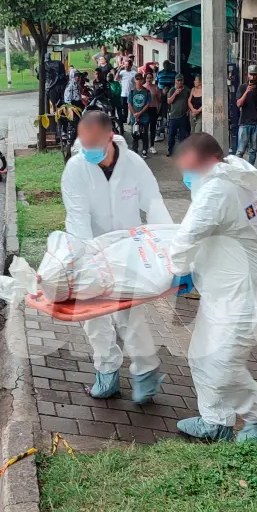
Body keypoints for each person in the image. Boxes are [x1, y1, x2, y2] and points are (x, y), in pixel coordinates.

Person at [169, 133, 257, 442]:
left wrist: (178, 270)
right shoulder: (245, 181)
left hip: (244, 295)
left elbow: (187, 235)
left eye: (188, 167)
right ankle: (215, 421)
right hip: (224, 291)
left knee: (222, 364)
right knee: (201, 355)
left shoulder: (217, 189)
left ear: (206, 162)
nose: (186, 175)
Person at [61, 110, 173, 401]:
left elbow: (153, 203)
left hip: (129, 250)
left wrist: (170, 246)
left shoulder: (134, 164)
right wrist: (87, 260)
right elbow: (77, 217)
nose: (88, 152)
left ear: (110, 137)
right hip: (90, 250)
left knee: (129, 314)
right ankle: (107, 372)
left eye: (93, 145)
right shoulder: (76, 168)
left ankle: (145, 372)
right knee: (94, 317)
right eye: (83, 145)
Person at [235, 65, 257, 165]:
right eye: (251, 75)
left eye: (254, 75)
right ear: (247, 75)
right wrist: (247, 92)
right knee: (240, 151)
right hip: (244, 123)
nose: (253, 77)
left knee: (253, 151)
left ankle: (250, 171)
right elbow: (239, 104)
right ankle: (236, 170)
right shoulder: (242, 87)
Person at [166, 74, 190, 156]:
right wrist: (175, 94)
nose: (179, 82)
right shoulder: (172, 90)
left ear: (183, 81)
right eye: (178, 80)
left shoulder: (186, 90)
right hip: (173, 116)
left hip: (183, 115)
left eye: (180, 80)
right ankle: (170, 150)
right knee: (171, 135)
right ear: (175, 81)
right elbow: (169, 101)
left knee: (182, 135)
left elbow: (190, 100)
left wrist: (188, 110)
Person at [128, 73, 151, 158]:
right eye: (137, 79)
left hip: (144, 117)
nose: (138, 80)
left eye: (140, 79)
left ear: (142, 80)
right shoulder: (132, 91)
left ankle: (145, 150)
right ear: (134, 80)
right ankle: (135, 151)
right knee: (135, 135)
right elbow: (129, 104)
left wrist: (140, 113)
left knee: (144, 135)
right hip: (134, 118)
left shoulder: (147, 91)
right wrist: (134, 114)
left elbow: (148, 104)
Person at [144, 72, 161, 154]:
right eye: (147, 78)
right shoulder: (143, 87)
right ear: (145, 78)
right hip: (144, 110)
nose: (149, 79)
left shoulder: (155, 88)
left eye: (150, 77)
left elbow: (159, 99)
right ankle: (145, 146)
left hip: (153, 109)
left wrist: (158, 109)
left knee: (152, 128)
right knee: (145, 128)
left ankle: (152, 146)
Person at [117, 59, 137, 127]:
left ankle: (131, 119)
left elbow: (136, 82)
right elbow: (116, 78)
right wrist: (119, 69)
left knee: (131, 107)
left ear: (131, 66)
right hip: (123, 93)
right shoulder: (122, 72)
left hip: (131, 93)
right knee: (124, 108)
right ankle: (125, 119)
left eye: (128, 65)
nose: (126, 67)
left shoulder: (134, 73)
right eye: (125, 65)